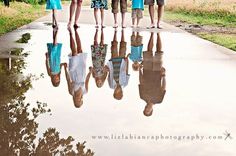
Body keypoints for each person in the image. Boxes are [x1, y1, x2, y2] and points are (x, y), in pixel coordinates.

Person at [139, 32, 166, 117]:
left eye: (145, 109)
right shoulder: (159, 100)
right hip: (158, 72)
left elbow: (141, 82)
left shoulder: (142, 96)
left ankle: (151, 34)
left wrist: (140, 70)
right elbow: (163, 88)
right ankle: (158, 34)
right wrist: (164, 75)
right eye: (148, 110)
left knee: (148, 51)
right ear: (151, 110)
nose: (147, 108)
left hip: (146, 70)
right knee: (159, 52)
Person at [64, 27, 92, 108]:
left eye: (76, 101)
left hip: (73, 71)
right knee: (80, 49)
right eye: (79, 101)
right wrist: (90, 71)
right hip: (82, 69)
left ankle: (70, 33)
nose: (78, 100)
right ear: (81, 100)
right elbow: (87, 80)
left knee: (74, 52)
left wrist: (65, 69)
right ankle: (76, 30)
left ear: (74, 100)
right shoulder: (85, 91)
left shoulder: (71, 92)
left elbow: (68, 80)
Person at [107, 29, 130, 100]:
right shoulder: (125, 84)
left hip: (113, 62)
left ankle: (115, 32)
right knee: (123, 46)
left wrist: (107, 67)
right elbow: (126, 72)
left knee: (114, 46)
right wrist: (127, 61)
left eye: (117, 92)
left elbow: (109, 74)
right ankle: (123, 31)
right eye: (120, 92)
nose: (118, 90)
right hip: (122, 62)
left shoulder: (111, 85)